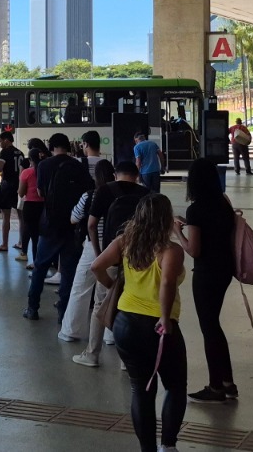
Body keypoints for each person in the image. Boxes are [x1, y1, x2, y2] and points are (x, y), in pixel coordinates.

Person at [91, 194, 188, 452]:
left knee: (141, 389)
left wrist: (113, 287)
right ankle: (168, 446)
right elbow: (167, 283)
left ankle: (148, 449)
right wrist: (165, 318)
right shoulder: (171, 250)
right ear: (165, 219)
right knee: (176, 386)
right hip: (158, 326)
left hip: (125, 324)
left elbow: (96, 266)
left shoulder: (125, 242)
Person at [69, 160, 149, 367]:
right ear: (137, 176)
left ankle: (92, 354)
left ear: (115, 174)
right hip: (137, 260)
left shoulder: (104, 190)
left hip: (111, 256)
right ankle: (126, 361)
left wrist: (100, 254)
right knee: (130, 307)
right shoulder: (145, 193)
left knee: (101, 304)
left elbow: (91, 224)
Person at [173, 158, 237, 403]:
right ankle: (228, 381)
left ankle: (216, 386)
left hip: (206, 273)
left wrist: (178, 232)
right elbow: (216, 229)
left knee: (209, 328)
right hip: (225, 269)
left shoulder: (196, 210)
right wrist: (190, 224)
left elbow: (194, 250)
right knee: (214, 326)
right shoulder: (224, 202)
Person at [26, 133, 94, 322]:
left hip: (50, 224)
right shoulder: (78, 166)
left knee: (40, 267)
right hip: (73, 225)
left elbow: (40, 192)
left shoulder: (44, 165)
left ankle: (32, 308)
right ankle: (63, 313)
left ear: (52, 146)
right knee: (69, 271)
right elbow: (87, 192)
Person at [61, 160, 116, 345]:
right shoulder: (119, 196)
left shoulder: (90, 195)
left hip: (94, 246)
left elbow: (73, 218)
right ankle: (110, 335)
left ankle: (71, 330)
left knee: (81, 287)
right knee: (110, 289)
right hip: (115, 247)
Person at [0, 132, 23, 252]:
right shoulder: (20, 152)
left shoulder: (4, 152)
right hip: (19, 185)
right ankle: (21, 242)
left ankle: (4, 244)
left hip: (7, 186)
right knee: (21, 216)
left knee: (6, 216)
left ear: (6, 140)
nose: (0, 144)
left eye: (0, 141)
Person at [16, 147, 46, 264]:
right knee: (40, 235)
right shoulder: (45, 170)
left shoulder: (27, 172)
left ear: (30, 160)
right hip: (43, 206)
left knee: (32, 234)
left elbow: (21, 193)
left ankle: (34, 262)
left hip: (30, 206)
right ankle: (40, 260)